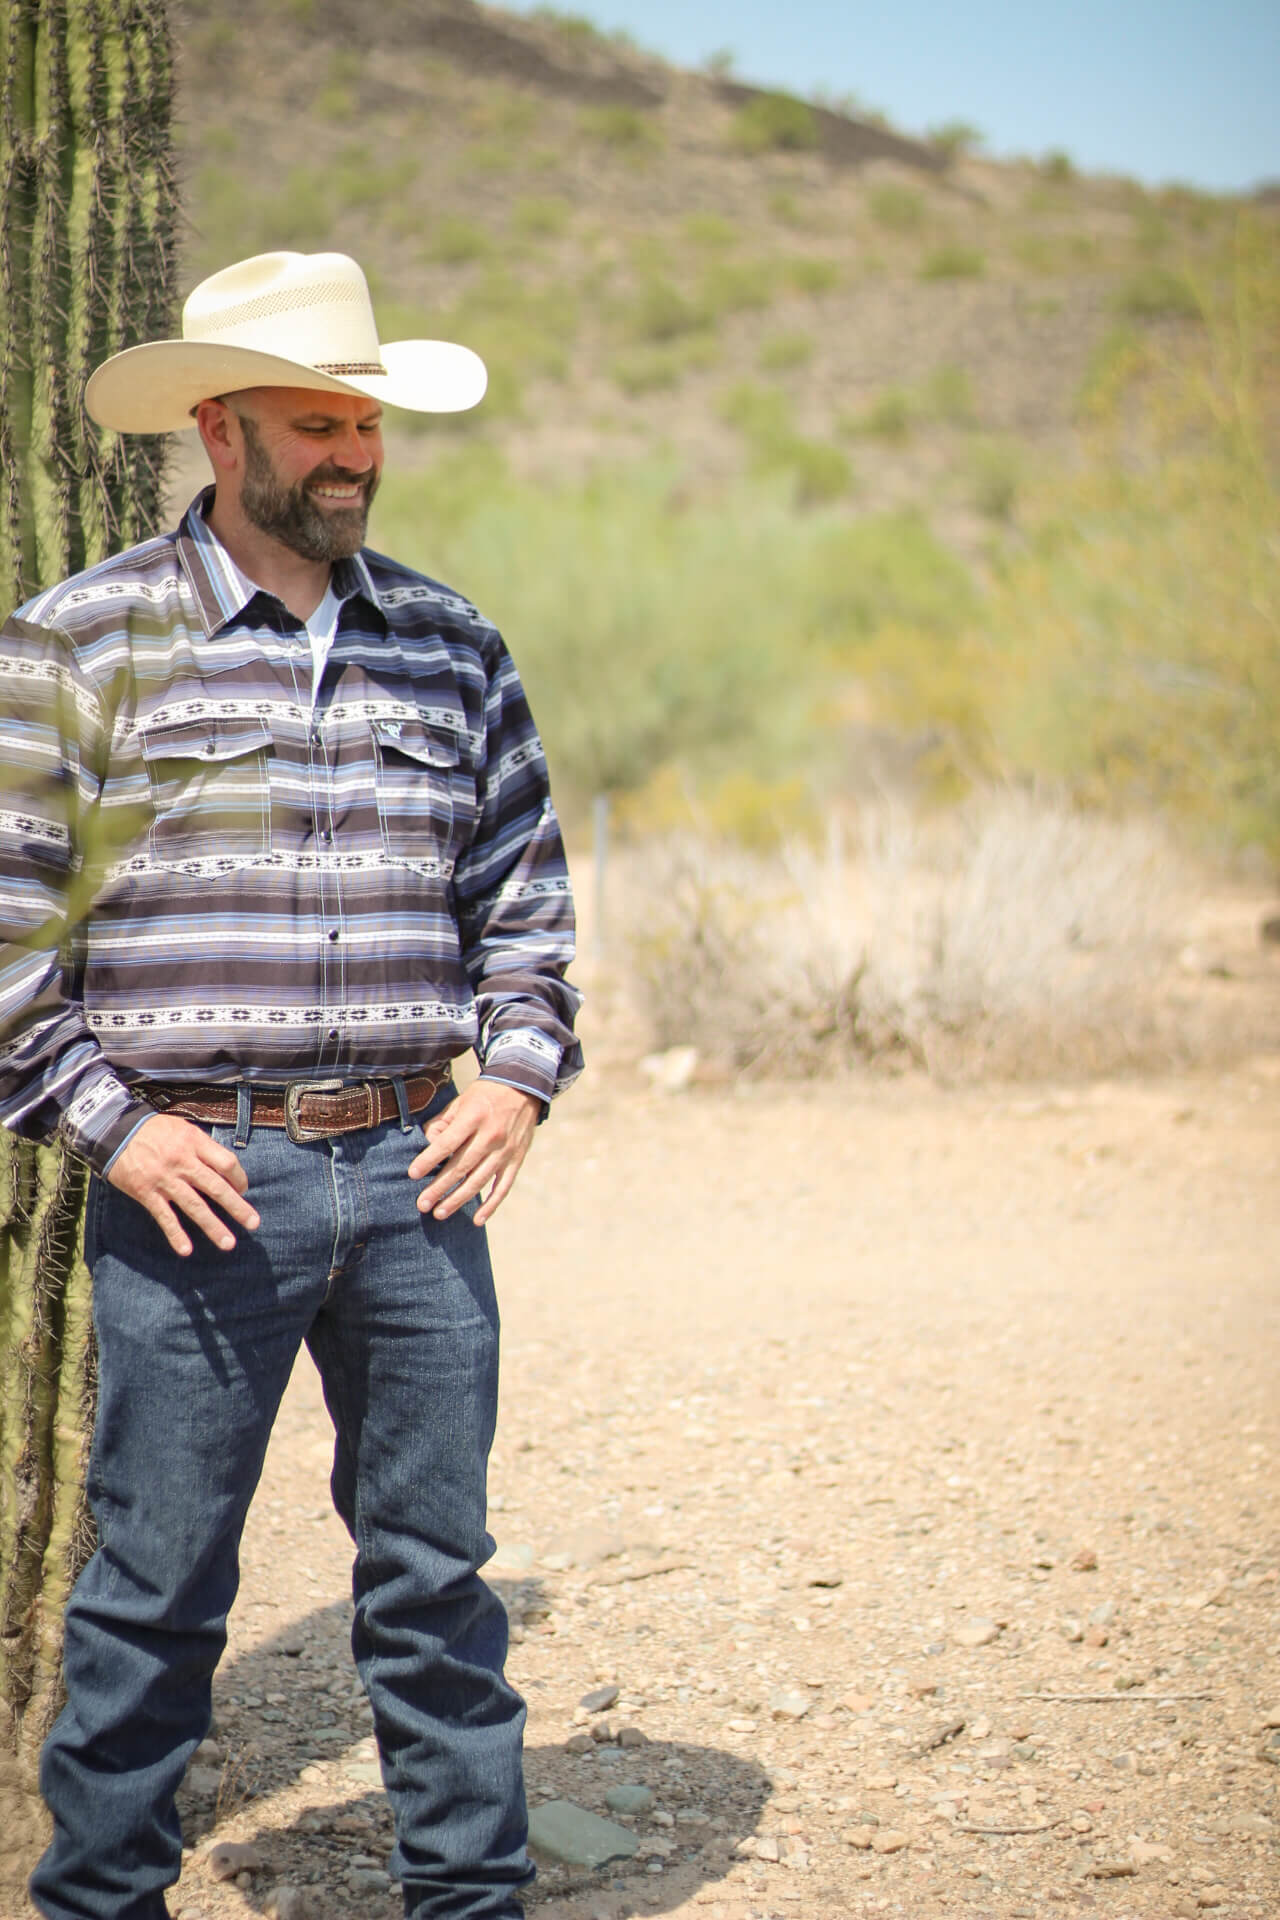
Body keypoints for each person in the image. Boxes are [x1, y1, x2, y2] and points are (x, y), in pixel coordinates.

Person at [0, 250, 582, 1919]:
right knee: (157, 1591)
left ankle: (470, 1900)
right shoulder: (82, 643)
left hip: (419, 1175)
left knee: (432, 1581)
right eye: (315, 422)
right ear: (216, 424)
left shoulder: (450, 645)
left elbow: (524, 899)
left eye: (364, 423)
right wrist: (115, 1125)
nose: (351, 452)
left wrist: (520, 1076)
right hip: (202, 1188)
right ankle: (99, 1901)